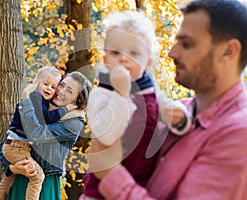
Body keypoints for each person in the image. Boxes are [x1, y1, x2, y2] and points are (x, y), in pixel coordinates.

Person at [87, 0, 247, 199]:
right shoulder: (179, 111)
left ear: (228, 51)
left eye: (187, 44)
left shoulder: (238, 134)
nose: (172, 53)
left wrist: (110, 174)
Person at [81, 10, 192, 200]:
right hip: (99, 192)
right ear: (105, 59)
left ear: (147, 61)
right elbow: (106, 136)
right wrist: (120, 94)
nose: (124, 58)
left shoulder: (152, 90)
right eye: (116, 52)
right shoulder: (102, 94)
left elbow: (166, 110)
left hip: (142, 183)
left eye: (133, 53)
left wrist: (180, 118)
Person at [0, 71, 92, 200]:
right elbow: (8, 141)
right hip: (20, 177)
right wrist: (12, 168)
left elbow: (36, 134)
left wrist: (26, 101)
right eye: (62, 85)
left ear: (77, 100)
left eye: (69, 91)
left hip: (44, 184)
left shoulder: (73, 122)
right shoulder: (42, 106)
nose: (61, 91)